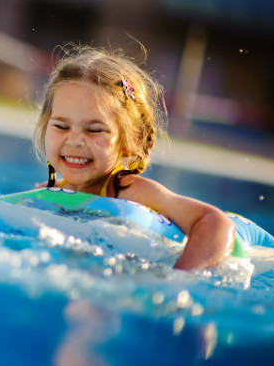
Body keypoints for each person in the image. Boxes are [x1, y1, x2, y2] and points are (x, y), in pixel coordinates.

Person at [33, 44, 236, 271]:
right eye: (61, 126)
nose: (74, 141)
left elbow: (214, 222)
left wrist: (179, 279)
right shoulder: (45, 192)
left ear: (132, 141)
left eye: (94, 130)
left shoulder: (134, 192)